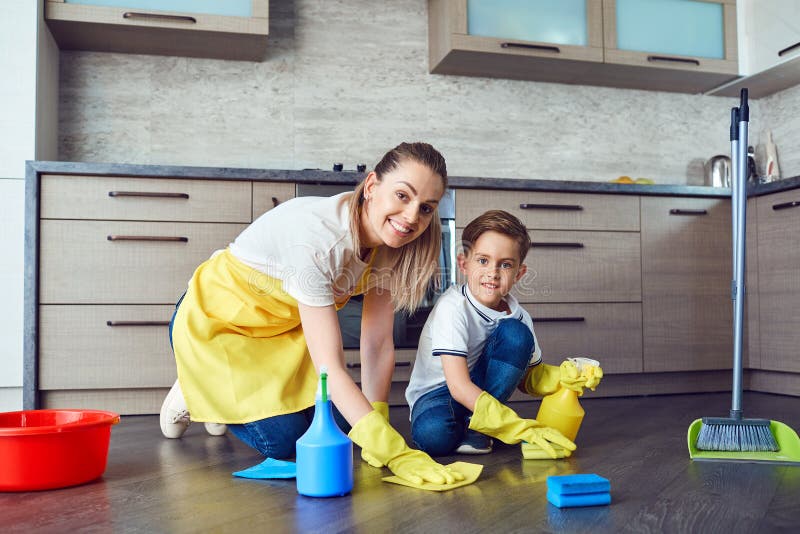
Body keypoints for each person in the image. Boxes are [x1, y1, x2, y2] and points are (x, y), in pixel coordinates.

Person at [161, 142, 465, 487]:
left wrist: (378, 420)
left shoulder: (388, 245)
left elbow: (378, 342)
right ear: (371, 186)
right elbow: (329, 368)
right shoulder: (320, 241)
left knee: (350, 425)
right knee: (285, 442)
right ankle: (193, 387)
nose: (412, 217)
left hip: (280, 333)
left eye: (426, 208)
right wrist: (395, 452)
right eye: (402, 196)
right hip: (217, 324)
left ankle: (219, 398)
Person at [405, 210, 603, 458]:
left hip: (479, 392)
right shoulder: (452, 307)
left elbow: (529, 378)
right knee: (433, 435)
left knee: (516, 335)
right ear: (463, 264)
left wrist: (565, 377)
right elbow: (458, 386)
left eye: (505, 264)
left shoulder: (519, 317)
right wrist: (515, 426)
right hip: (441, 393)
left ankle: (477, 428)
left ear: (519, 273)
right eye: (483, 261)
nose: (493, 272)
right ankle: (483, 425)